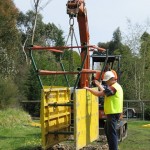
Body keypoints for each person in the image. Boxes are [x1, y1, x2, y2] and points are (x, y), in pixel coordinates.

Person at [84, 71, 123, 150]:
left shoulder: (113, 87)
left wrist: (89, 89)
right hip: (113, 113)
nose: (106, 82)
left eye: (107, 81)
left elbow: (99, 94)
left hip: (113, 113)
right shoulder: (116, 86)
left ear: (111, 79)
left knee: (111, 133)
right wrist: (99, 85)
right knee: (108, 131)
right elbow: (104, 92)